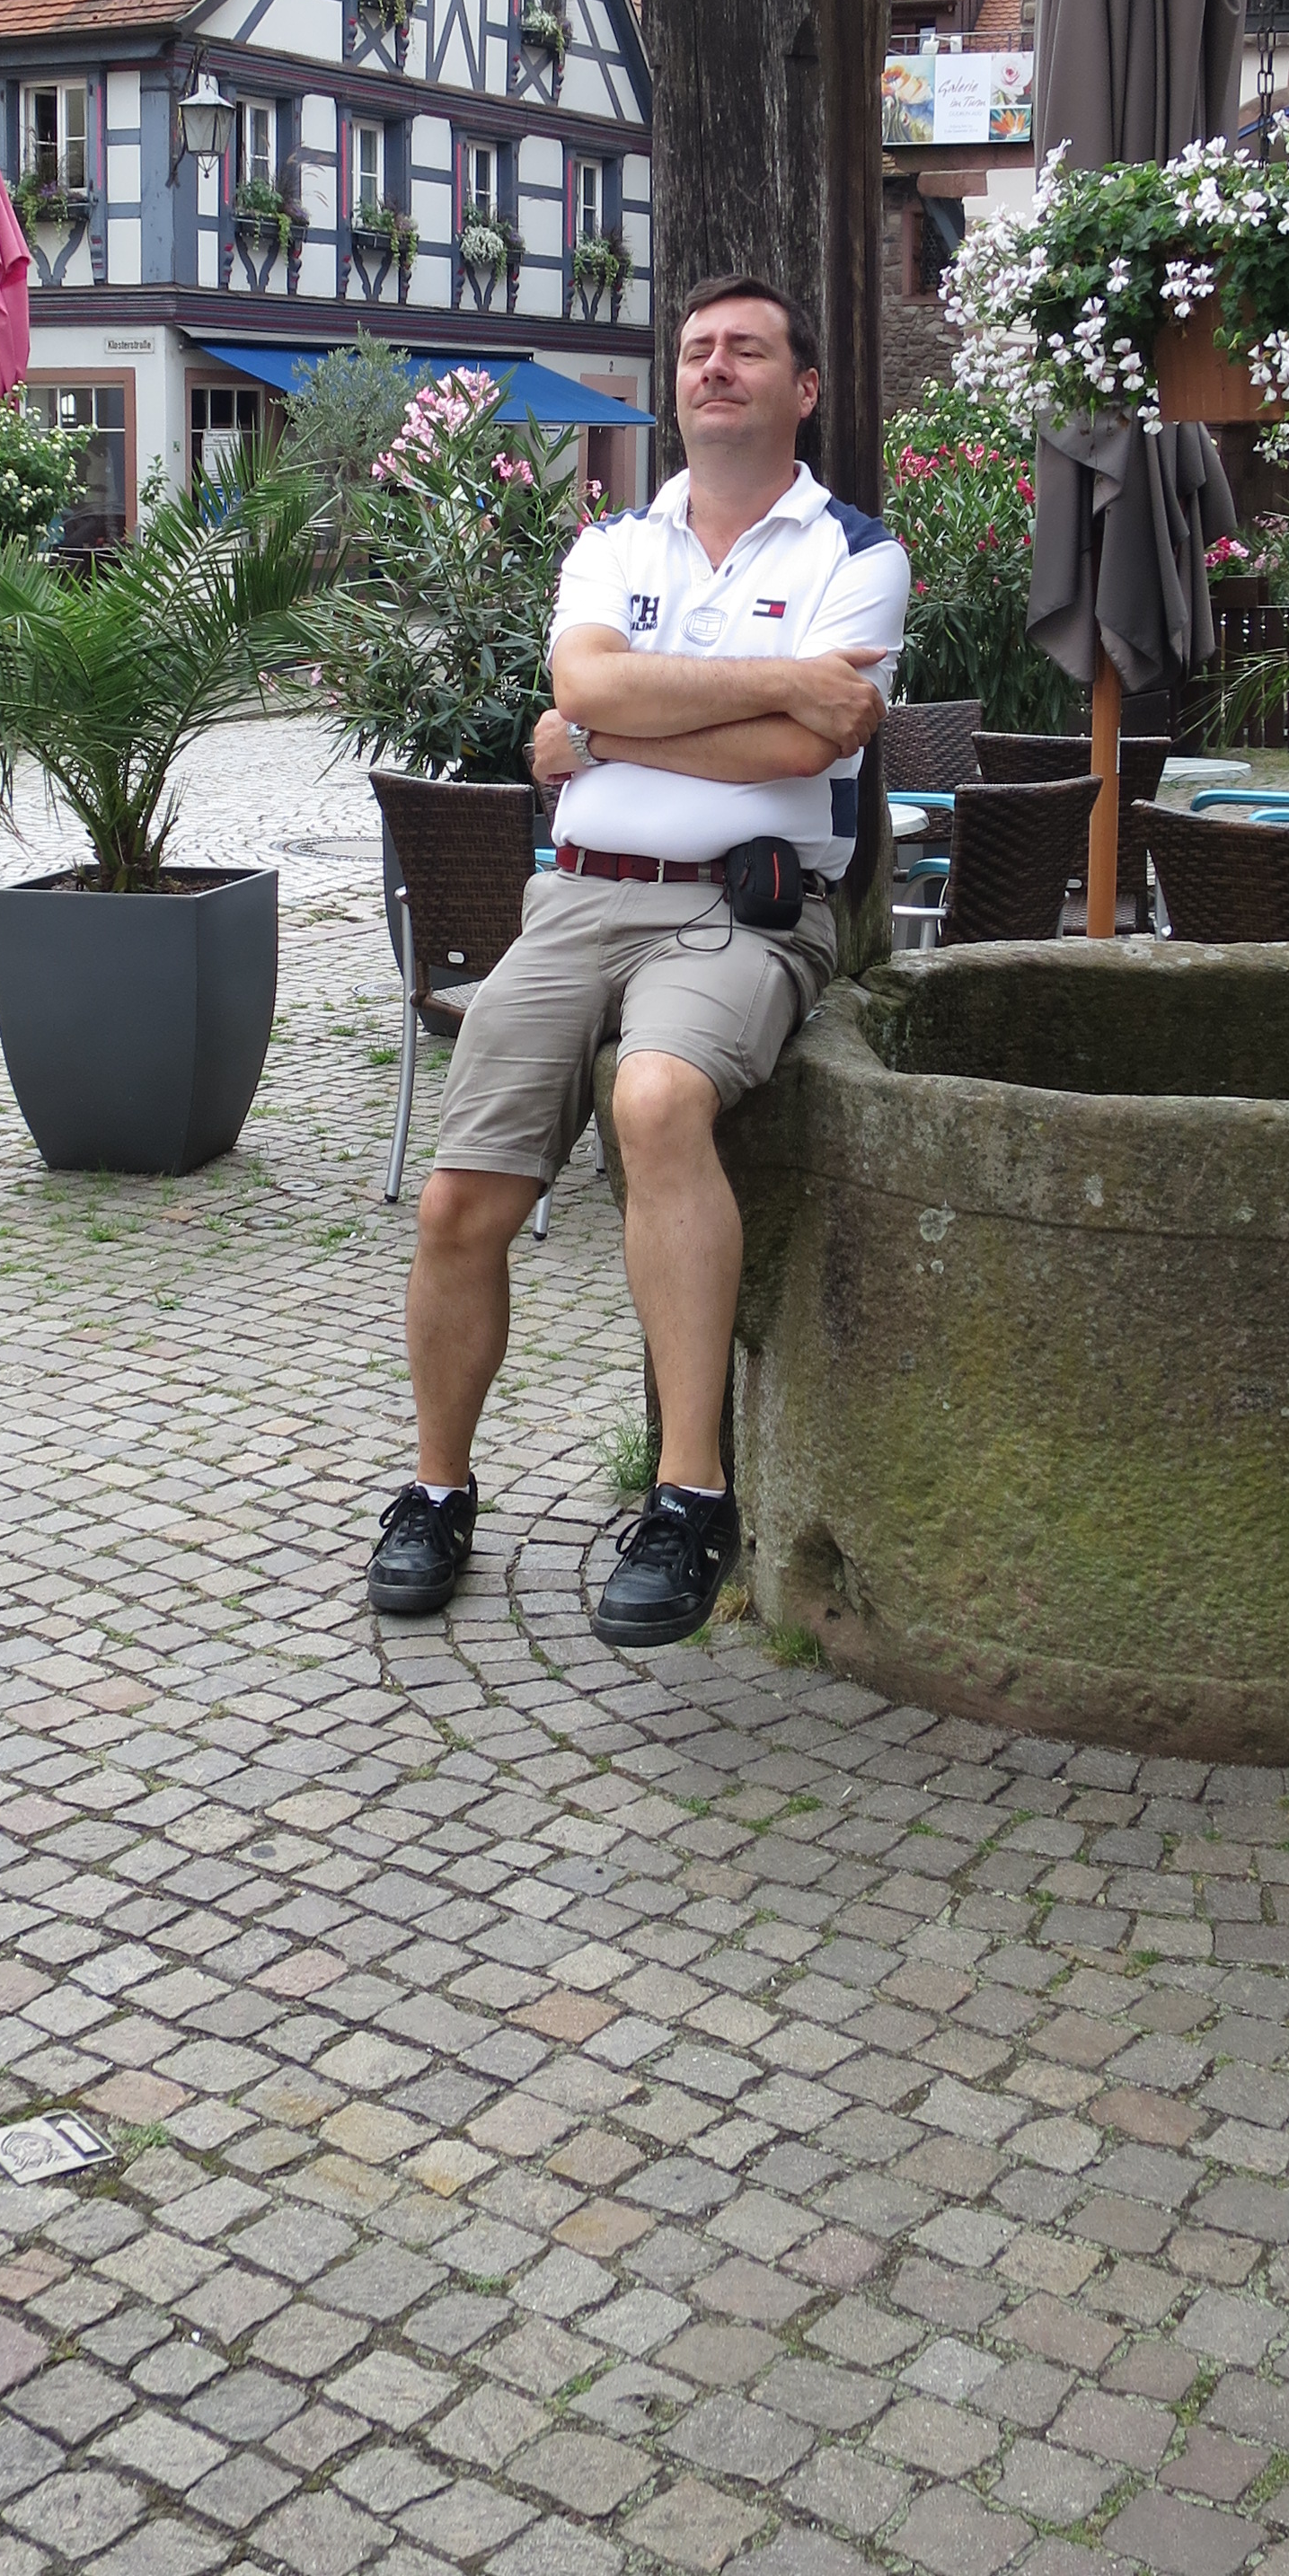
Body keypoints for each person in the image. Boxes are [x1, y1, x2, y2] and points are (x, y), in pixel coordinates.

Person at [366, 273, 911, 1649]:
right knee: (458, 1199)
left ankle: (689, 1498)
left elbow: (804, 752)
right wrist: (764, 683)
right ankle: (437, 1490)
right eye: (697, 350)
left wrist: (615, 734)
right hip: (576, 903)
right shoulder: (613, 544)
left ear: (804, 388)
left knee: (658, 1098)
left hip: (744, 909)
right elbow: (589, 689)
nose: (715, 367)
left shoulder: (855, 552)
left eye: (747, 351)